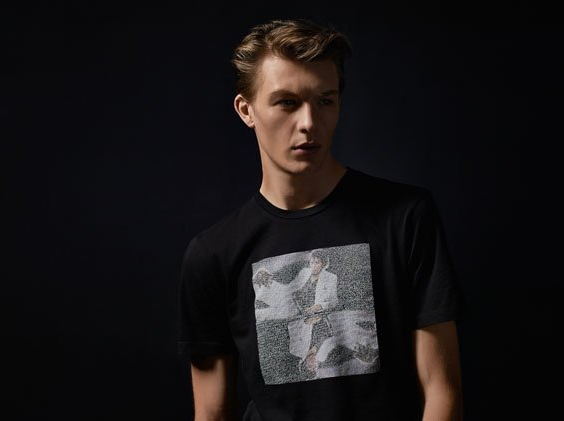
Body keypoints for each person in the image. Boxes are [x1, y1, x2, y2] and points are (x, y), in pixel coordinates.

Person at [178, 18, 465, 420]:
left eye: (324, 101)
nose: (309, 123)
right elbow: (211, 412)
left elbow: (442, 392)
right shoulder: (212, 254)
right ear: (246, 110)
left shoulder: (405, 218)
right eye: (287, 102)